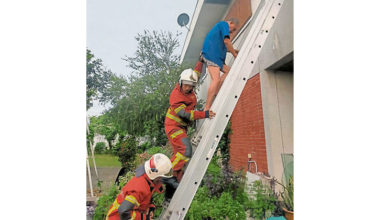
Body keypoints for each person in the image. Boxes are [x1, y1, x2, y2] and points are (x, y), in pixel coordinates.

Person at [164, 69, 216, 185]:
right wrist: (204, 114)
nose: (188, 88)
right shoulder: (176, 96)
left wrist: (200, 61)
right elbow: (185, 114)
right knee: (186, 150)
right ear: (181, 82)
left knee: (180, 155)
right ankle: (167, 174)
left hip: (180, 127)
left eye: (191, 86)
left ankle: (174, 181)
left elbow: (196, 74)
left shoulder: (188, 86)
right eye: (186, 85)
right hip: (173, 127)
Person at [106, 153, 172, 220]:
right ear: (156, 176)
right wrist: (144, 218)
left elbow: (144, 199)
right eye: (162, 177)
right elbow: (123, 211)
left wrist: (150, 208)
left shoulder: (148, 180)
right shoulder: (139, 188)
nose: (162, 180)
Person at [200, 18, 240, 111]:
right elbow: (227, 42)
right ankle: (207, 108)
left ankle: (216, 90)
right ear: (231, 23)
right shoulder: (223, 24)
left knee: (230, 72)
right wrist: (235, 55)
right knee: (216, 79)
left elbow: (227, 47)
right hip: (211, 55)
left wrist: (235, 51)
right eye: (233, 29)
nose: (232, 32)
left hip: (217, 58)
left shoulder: (220, 32)